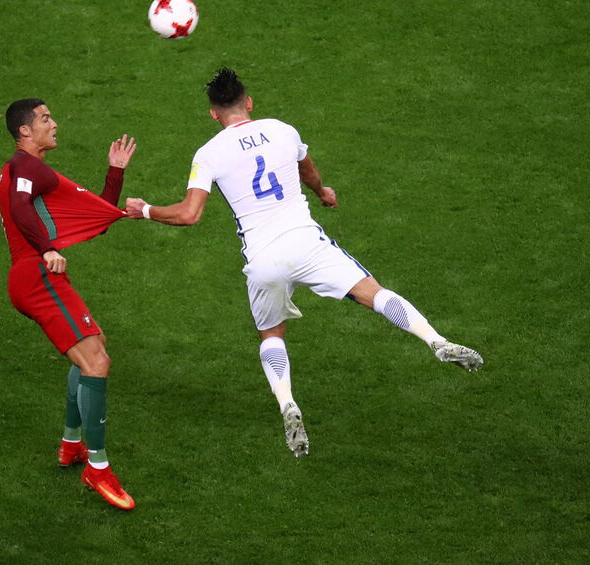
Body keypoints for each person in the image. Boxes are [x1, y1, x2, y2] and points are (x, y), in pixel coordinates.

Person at [125, 69, 483, 458]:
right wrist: (323, 191)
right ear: (249, 103)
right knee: (373, 294)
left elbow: (190, 214)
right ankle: (437, 341)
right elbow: (306, 168)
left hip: (264, 260)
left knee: (272, 335)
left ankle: (287, 404)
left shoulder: (209, 153)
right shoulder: (282, 129)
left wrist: (145, 210)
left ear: (214, 115)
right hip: (306, 242)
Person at [0, 97, 137, 509]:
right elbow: (21, 208)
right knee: (97, 362)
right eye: (44, 119)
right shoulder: (24, 167)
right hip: (38, 276)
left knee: (94, 349)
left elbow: (98, 214)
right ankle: (98, 468)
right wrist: (45, 250)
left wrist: (116, 171)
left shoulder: (31, 170)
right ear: (25, 131)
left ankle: (72, 444)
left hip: (36, 276)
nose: (54, 124)